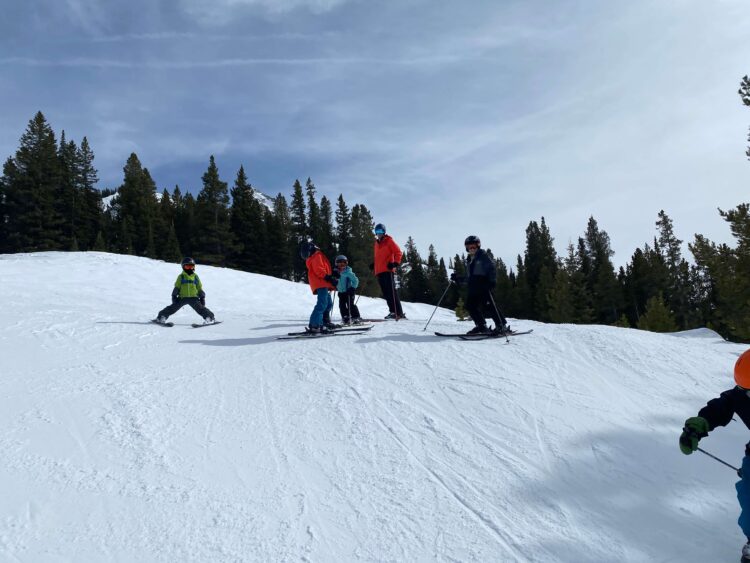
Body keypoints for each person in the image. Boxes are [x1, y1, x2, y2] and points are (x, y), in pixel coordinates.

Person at [680, 349, 750, 561]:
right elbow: (721, 407)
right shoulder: (742, 394)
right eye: (745, 390)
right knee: (748, 494)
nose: (748, 395)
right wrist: (697, 427)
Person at [450, 235, 509, 335]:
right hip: (474, 288)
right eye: (469, 247)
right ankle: (481, 326)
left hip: (484, 285)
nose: (471, 249)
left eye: (473, 246)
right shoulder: (470, 260)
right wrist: (458, 279)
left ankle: (501, 325)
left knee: (490, 306)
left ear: (478, 246)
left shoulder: (483, 256)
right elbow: (469, 278)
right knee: (470, 306)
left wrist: (491, 281)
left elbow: (492, 268)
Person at [155, 257, 215, 324]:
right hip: (182, 297)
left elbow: (199, 287)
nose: (190, 268)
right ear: (183, 267)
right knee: (173, 308)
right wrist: (174, 295)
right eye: (187, 267)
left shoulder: (195, 277)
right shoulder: (181, 276)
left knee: (200, 308)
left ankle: (209, 318)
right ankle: (161, 317)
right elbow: (177, 286)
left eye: (191, 266)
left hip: (193, 298)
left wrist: (202, 296)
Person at [300, 241, 338, 334]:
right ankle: (315, 325)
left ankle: (325, 322)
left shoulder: (316, 255)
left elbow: (322, 268)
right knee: (322, 304)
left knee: (328, 304)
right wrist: (329, 278)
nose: (306, 255)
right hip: (321, 283)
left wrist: (332, 275)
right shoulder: (316, 256)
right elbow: (319, 270)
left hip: (323, 283)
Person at [371, 223, 406, 320]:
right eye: (377, 231)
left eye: (381, 231)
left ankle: (399, 313)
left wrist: (395, 263)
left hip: (387, 270)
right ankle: (392, 312)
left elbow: (398, 252)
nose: (379, 233)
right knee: (386, 293)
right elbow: (378, 257)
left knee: (391, 292)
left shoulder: (389, 241)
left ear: (384, 232)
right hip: (379, 271)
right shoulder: (376, 244)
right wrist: (374, 264)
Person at [334, 255, 363, 325]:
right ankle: (345, 317)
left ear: (346, 263)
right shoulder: (335, 272)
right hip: (341, 292)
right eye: (339, 263)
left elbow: (356, 280)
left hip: (349, 292)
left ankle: (356, 317)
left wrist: (353, 288)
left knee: (351, 305)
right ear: (336, 264)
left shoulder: (348, 272)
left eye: (344, 263)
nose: (341, 265)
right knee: (342, 306)